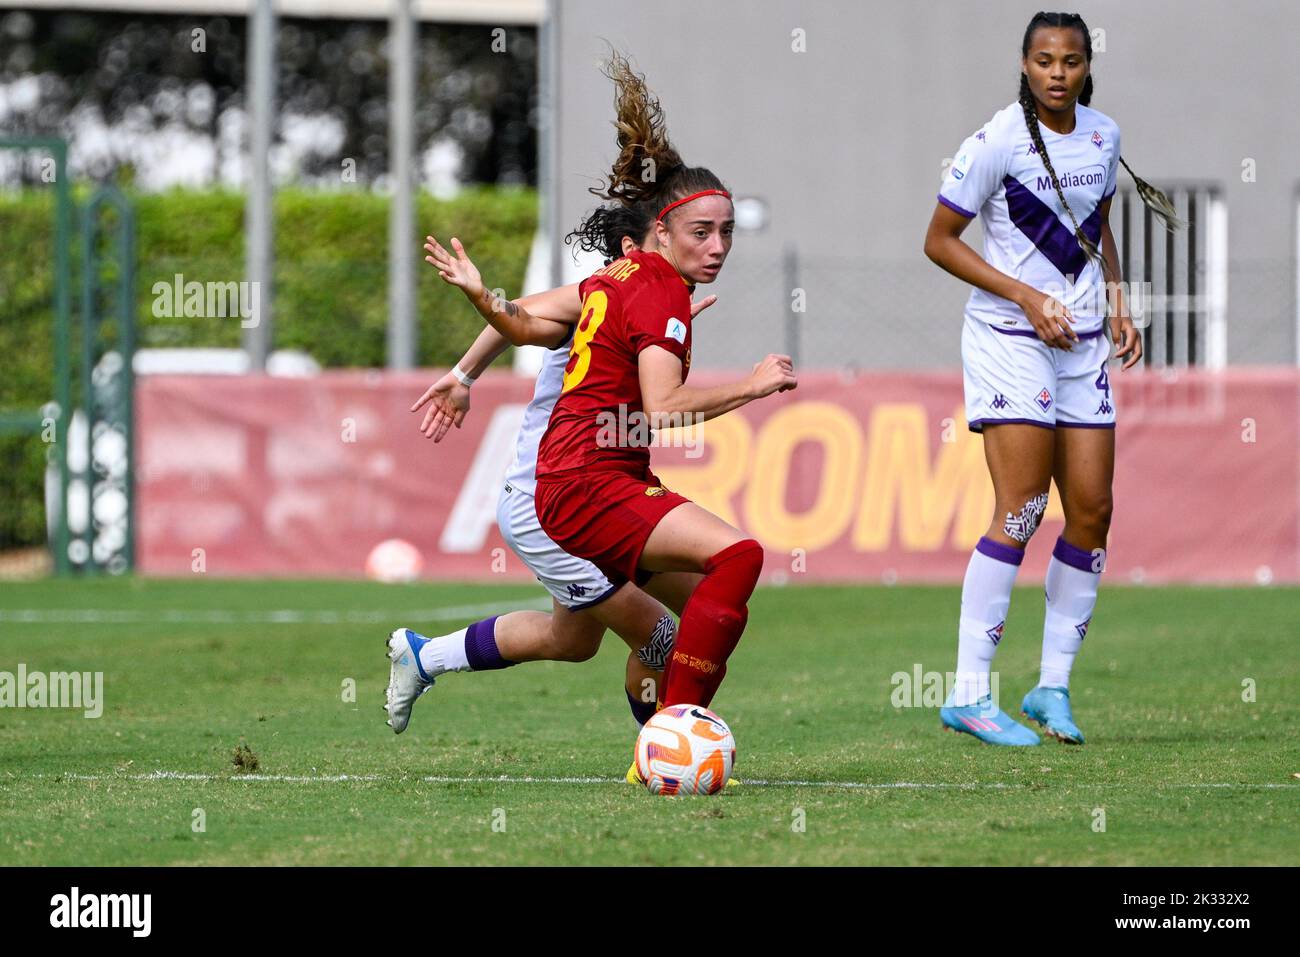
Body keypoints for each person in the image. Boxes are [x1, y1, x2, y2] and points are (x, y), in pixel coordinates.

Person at [923, 11, 1179, 745]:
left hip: (1085, 342)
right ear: (1026, 65)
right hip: (1012, 339)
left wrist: (1120, 300)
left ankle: (1051, 688)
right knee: (1024, 506)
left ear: (1086, 66)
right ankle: (969, 692)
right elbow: (938, 241)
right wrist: (1025, 297)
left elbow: (1094, 226)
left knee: (1093, 510)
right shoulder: (997, 139)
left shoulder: (1105, 135)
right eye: (1044, 60)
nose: (1057, 72)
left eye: (1070, 60)